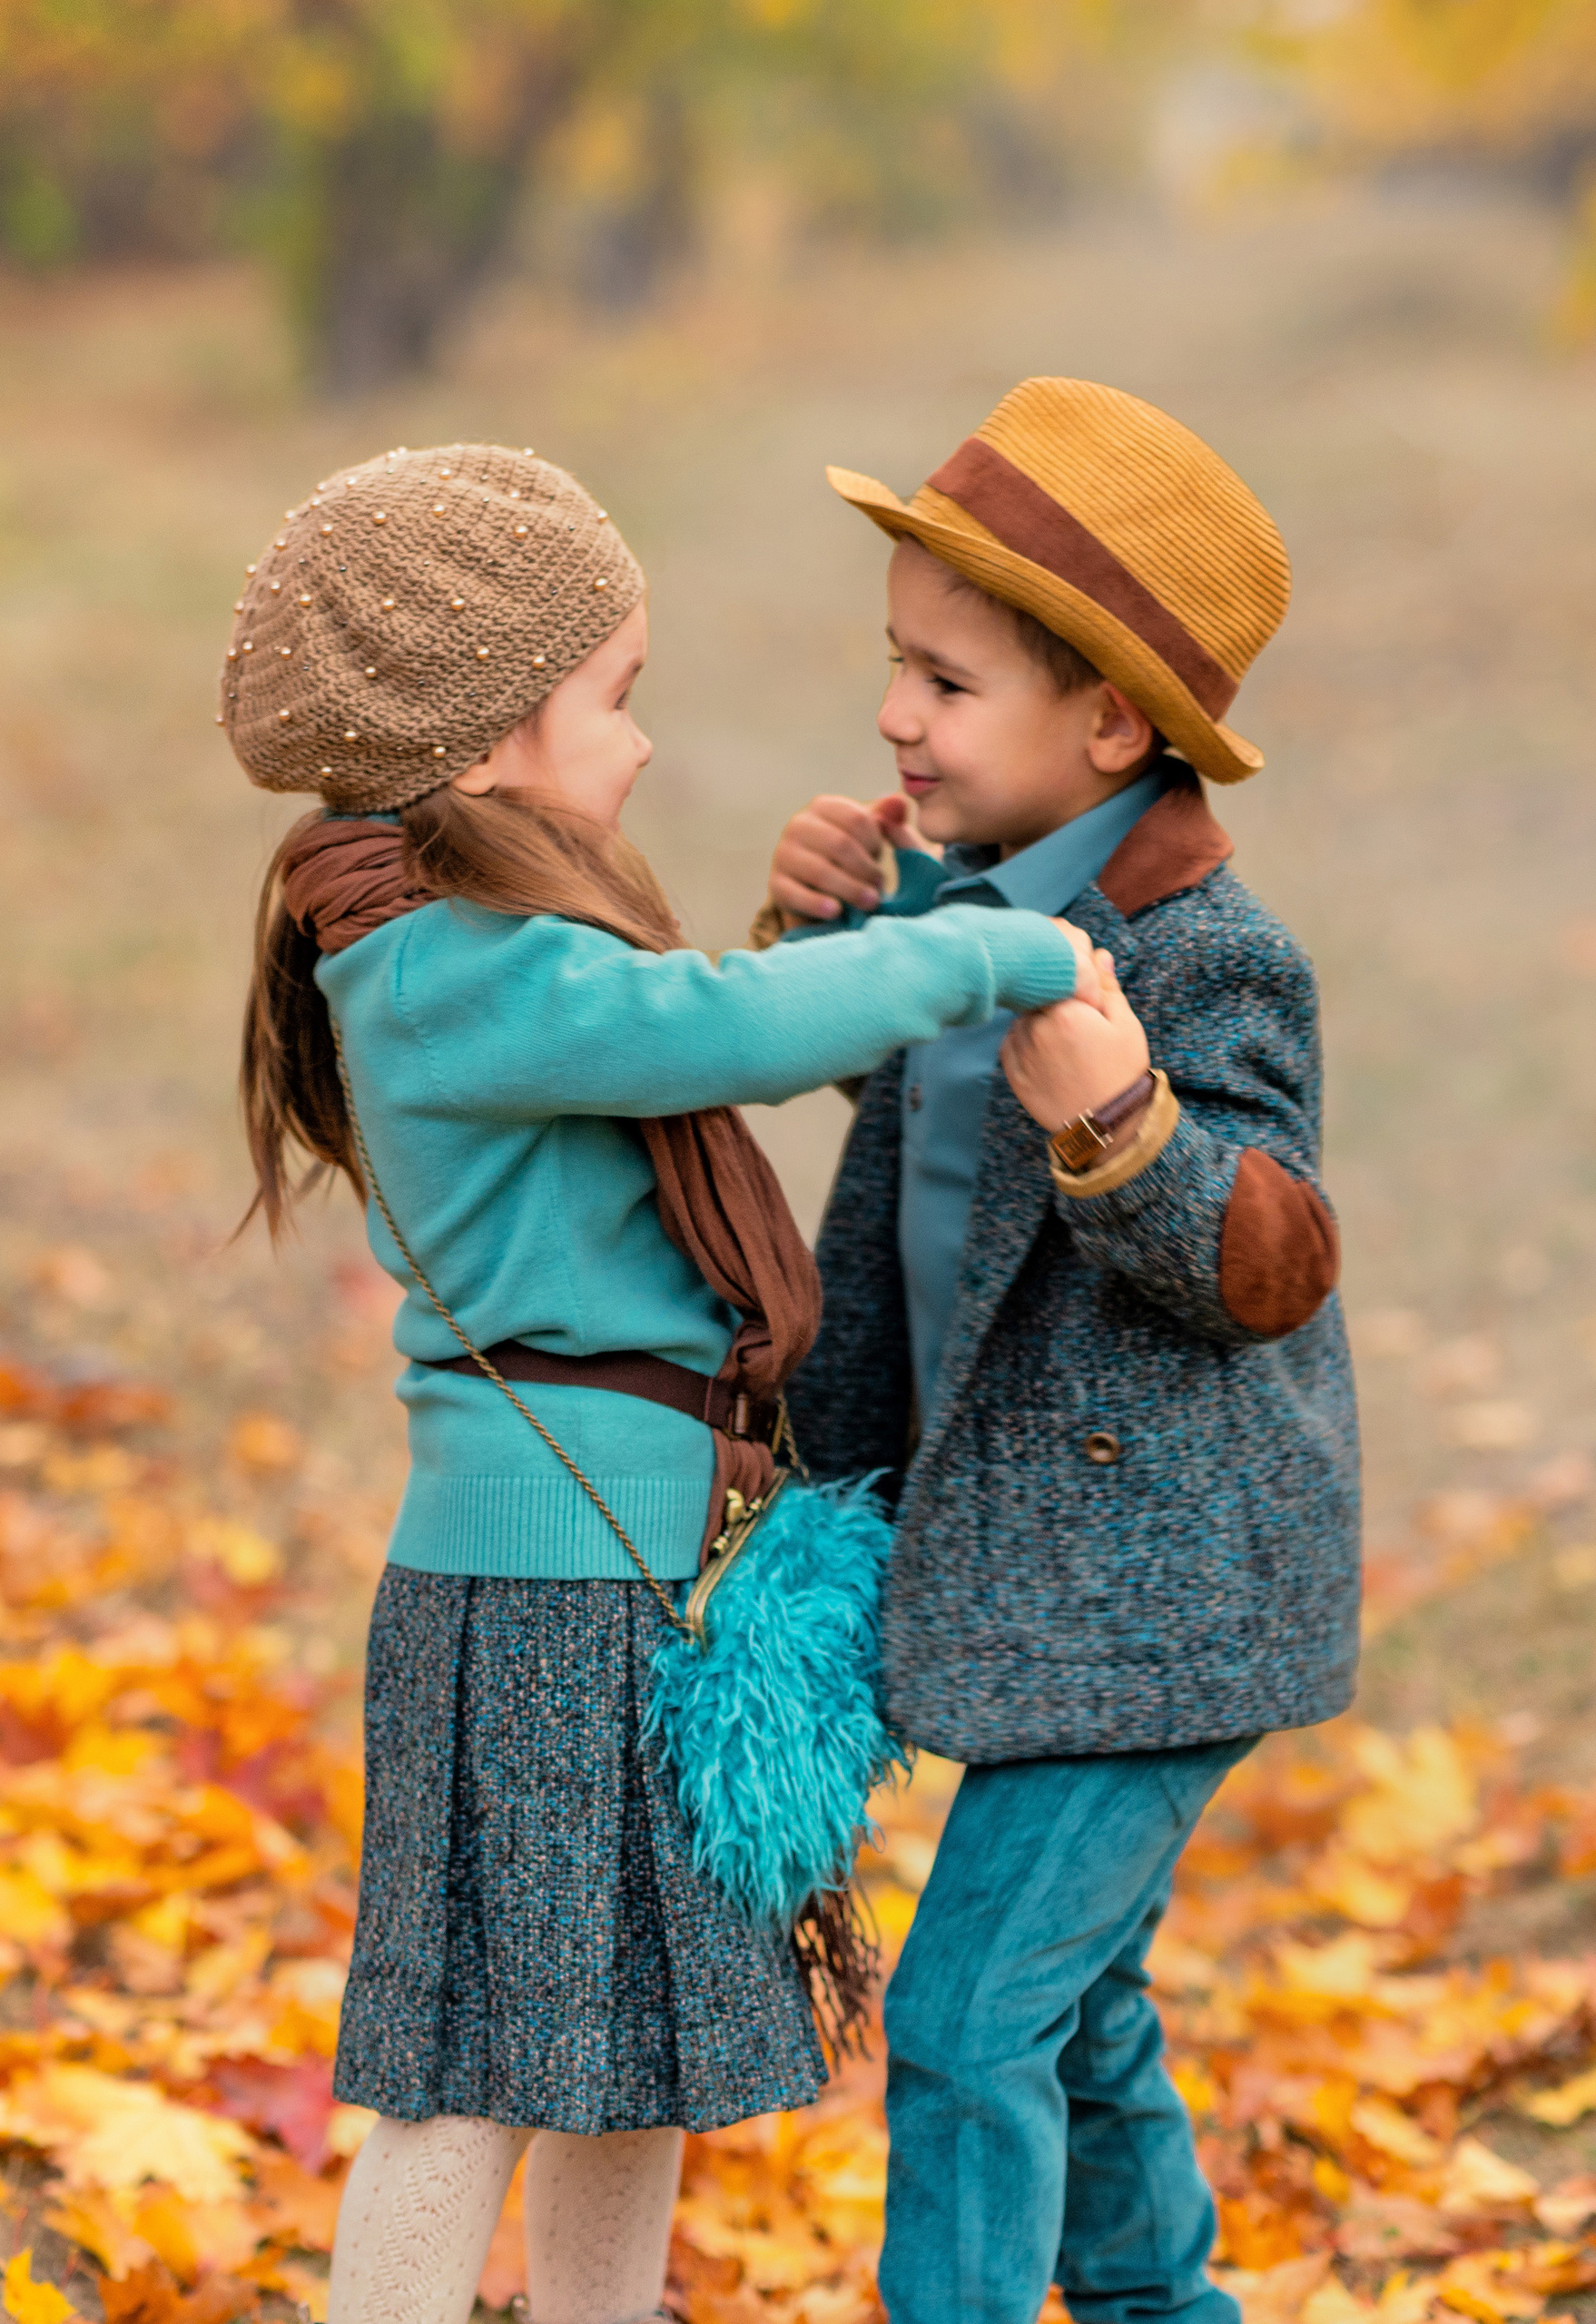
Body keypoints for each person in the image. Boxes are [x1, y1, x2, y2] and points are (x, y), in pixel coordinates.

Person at [223, 442, 1093, 2324]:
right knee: (468, 2077)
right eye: (612, 703)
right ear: (484, 746)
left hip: (632, 1575)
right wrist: (984, 948)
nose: (630, 754)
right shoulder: (444, 970)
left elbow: (670, 1035)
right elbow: (708, 1027)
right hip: (544, 1590)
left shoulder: (480, 959)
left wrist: (808, 931)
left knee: (622, 2063)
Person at [758, 377, 1361, 2324]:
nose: (889, 717)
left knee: (961, 2019)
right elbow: (879, 1108)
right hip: (1022, 1584)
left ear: (1108, 721)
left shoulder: (1207, 960)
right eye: (890, 668)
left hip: (1160, 1606)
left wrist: (1124, 1124)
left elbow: (1270, 1256)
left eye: (940, 682)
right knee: (1076, 2014)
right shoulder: (956, 910)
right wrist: (810, 936)